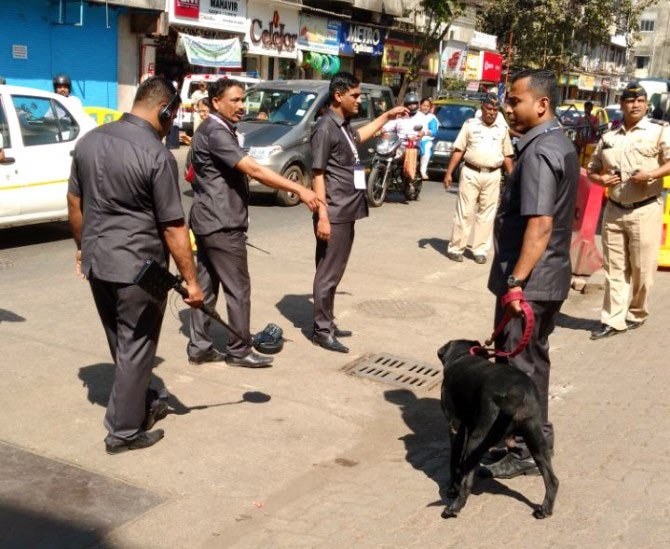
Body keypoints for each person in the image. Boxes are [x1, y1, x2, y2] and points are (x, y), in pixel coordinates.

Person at [67, 77, 204, 454]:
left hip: (98, 263)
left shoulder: (89, 141)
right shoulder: (156, 154)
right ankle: (123, 432)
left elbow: (75, 203)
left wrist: (82, 248)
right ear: (164, 110)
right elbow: (174, 227)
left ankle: (140, 402)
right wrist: (191, 281)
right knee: (138, 345)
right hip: (138, 271)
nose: (171, 124)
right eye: (172, 117)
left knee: (121, 341)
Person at [482, 69, 579, 478]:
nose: (507, 107)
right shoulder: (555, 142)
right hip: (547, 276)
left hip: (531, 282)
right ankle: (525, 438)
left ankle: (525, 449)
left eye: (514, 100)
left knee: (521, 367)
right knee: (531, 362)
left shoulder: (539, 151)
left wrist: (516, 283)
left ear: (541, 104)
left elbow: (539, 224)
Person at [187, 79, 320, 367]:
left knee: (206, 288)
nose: (240, 106)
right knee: (238, 288)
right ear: (215, 103)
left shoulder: (218, 130)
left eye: (241, 100)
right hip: (222, 223)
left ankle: (200, 346)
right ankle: (239, 349)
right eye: (233, 101)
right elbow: (254, 169)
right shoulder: (215, 131)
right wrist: (299, 188)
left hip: (209, 220)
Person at [311, 72, 408, 353]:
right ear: (338, 95)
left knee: (333, 270)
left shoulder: (342, 126)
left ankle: (327, 320)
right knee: (328, 272)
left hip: (347, 209)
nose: (359, 101)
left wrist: (387, 116)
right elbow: (317, 174)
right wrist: (323, 216)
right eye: (354, 95)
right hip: (335, 211)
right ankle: (322, 330)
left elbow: (361, 137)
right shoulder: (325, 127)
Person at [587, 83, 670, 340]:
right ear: (622, 104)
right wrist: (600, 180)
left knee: (643, 270)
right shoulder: (609, 136)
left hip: (645, 210)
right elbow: (592, 168)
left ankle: (636, 312)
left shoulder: (659, 131)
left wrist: (651, 175)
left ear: (646, 105)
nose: (635, 105)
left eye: (640, 101)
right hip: (613, 210)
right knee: (614, 268)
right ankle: (613, 319)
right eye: (629, 101)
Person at [443, 93, 514, 264]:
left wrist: (512, 175)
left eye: (495, 110)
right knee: (464, 212)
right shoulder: (470, 125)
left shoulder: (502, 129)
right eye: (489, 109)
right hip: (471, 173)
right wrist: (449, 172)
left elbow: (507, 155)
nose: (491, 113)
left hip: (493, 175)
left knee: (487, 215)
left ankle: (480, 250)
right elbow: (459, 149)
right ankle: (456, 248)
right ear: (482, 108)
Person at [419, 97, 439, 179]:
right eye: (424, 105)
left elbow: (434, 131)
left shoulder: (431, 118)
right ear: (420, 105)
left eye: (427, 106)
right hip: (412, 138)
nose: (425, 108)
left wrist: (425, 133)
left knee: (426, 151)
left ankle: (423, 171)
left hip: (425, 139)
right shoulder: (414, 114)